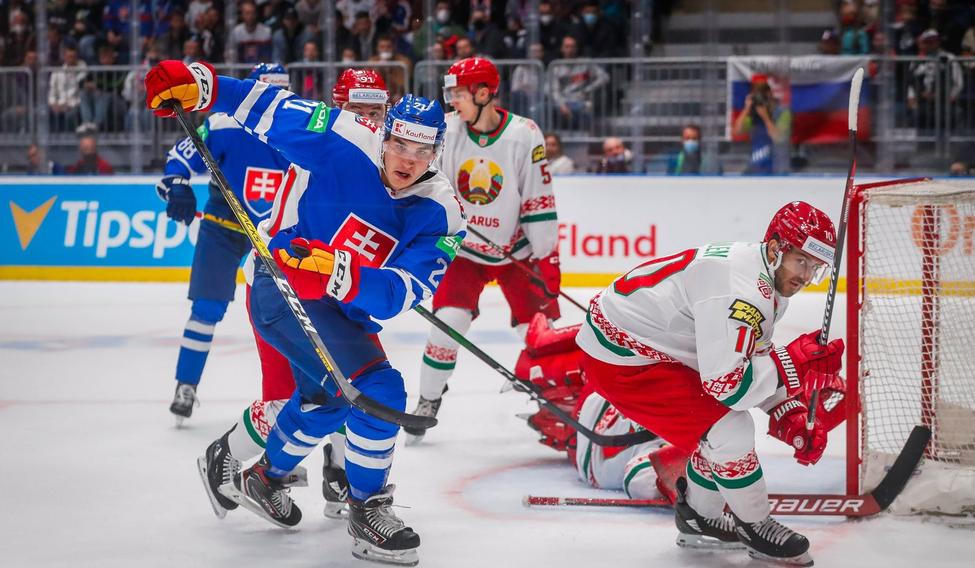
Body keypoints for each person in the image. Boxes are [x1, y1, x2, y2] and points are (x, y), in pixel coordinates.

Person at [146, 58, 464, 566]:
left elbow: (402, 292)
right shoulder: (343, 135)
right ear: (384, 136)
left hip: (341, 306)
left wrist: (341, 272)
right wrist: (202, 83)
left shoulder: (442, 212)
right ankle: (366, 509)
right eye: (400, 145)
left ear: (436, 151)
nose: (407, 159)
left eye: (421, 149)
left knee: (328, 402)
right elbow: (265, 105)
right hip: (282, 281)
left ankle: (261, 476)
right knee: (375, 392)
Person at [575, 201, 842, 565]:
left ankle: (700, 517)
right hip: (622, 357)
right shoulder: (743, 290)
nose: (806, 276)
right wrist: (793, 362)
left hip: (645, 343)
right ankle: (755, 525)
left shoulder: (764, 279)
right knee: (730, 429)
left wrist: (788, 410)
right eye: (803, 262)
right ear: (778, 247)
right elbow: (729, 387)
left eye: (815, 267)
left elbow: (752, 358)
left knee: (718, 429)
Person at [196, 68, 391, 523]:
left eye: (374, 112)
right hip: (283, 291)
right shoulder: (319, 155)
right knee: (311, 396)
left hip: (328, 297)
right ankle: (227, 457)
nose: (366, 120)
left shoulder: (378, 161)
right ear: (337, 109)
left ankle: (333, 478)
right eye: (355, 111)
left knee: (343, 386)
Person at [406, 57, 560, 443]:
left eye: (458, 93)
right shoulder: (449, 130)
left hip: (515, 250)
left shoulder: (524, 134)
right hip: (465, 251)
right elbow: (430, 185)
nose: (452, 100)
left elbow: (538, 198)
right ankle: (428, 398)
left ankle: (560, 404)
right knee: (448, 324)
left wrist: (546, 255)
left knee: (540, 333)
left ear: (484, 92)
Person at [157, 63, 293, 424]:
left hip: (271, 238)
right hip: (223, 226)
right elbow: (181, 159)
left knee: (287, 316)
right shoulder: (222, 124)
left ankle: (294, 393)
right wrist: (178, 185)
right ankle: (186, 384)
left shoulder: (298, 134)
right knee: (207, 307)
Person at [732, 74, 790, 175]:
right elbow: (737, 132)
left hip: (776, 167)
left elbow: (779, 138)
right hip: (755, 166)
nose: (760, 95)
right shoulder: (753, 114)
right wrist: (746, 109)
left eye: (763, 91)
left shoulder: (783, 113)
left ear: (770, 92)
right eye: (756, 92)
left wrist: (766, 117)